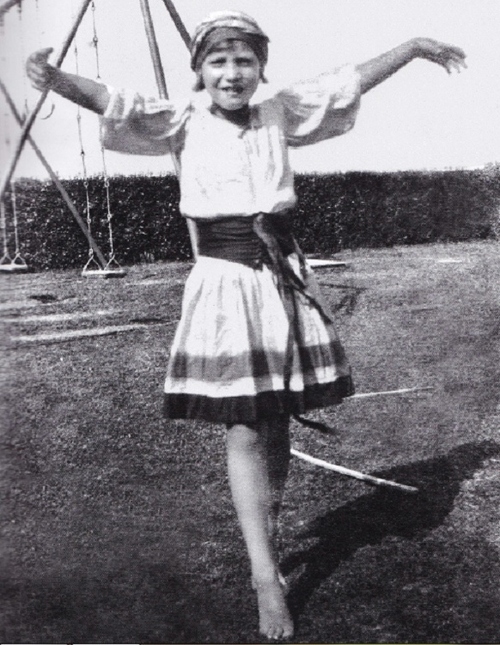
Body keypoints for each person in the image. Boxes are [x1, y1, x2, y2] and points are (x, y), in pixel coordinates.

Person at [26, 10, 466, 640]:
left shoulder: (279, 110)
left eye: (244, 61)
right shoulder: (182, 118)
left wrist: (413, 46)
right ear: (200, 70)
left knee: (276, 418)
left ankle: (270, 534)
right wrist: (55, 78)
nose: (231, 74)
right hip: (226, 284)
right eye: (218, 62)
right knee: (243, 424)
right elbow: (113, 100)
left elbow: (346, 83)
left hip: (281, 279)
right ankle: (265, 577)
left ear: (260, 67)